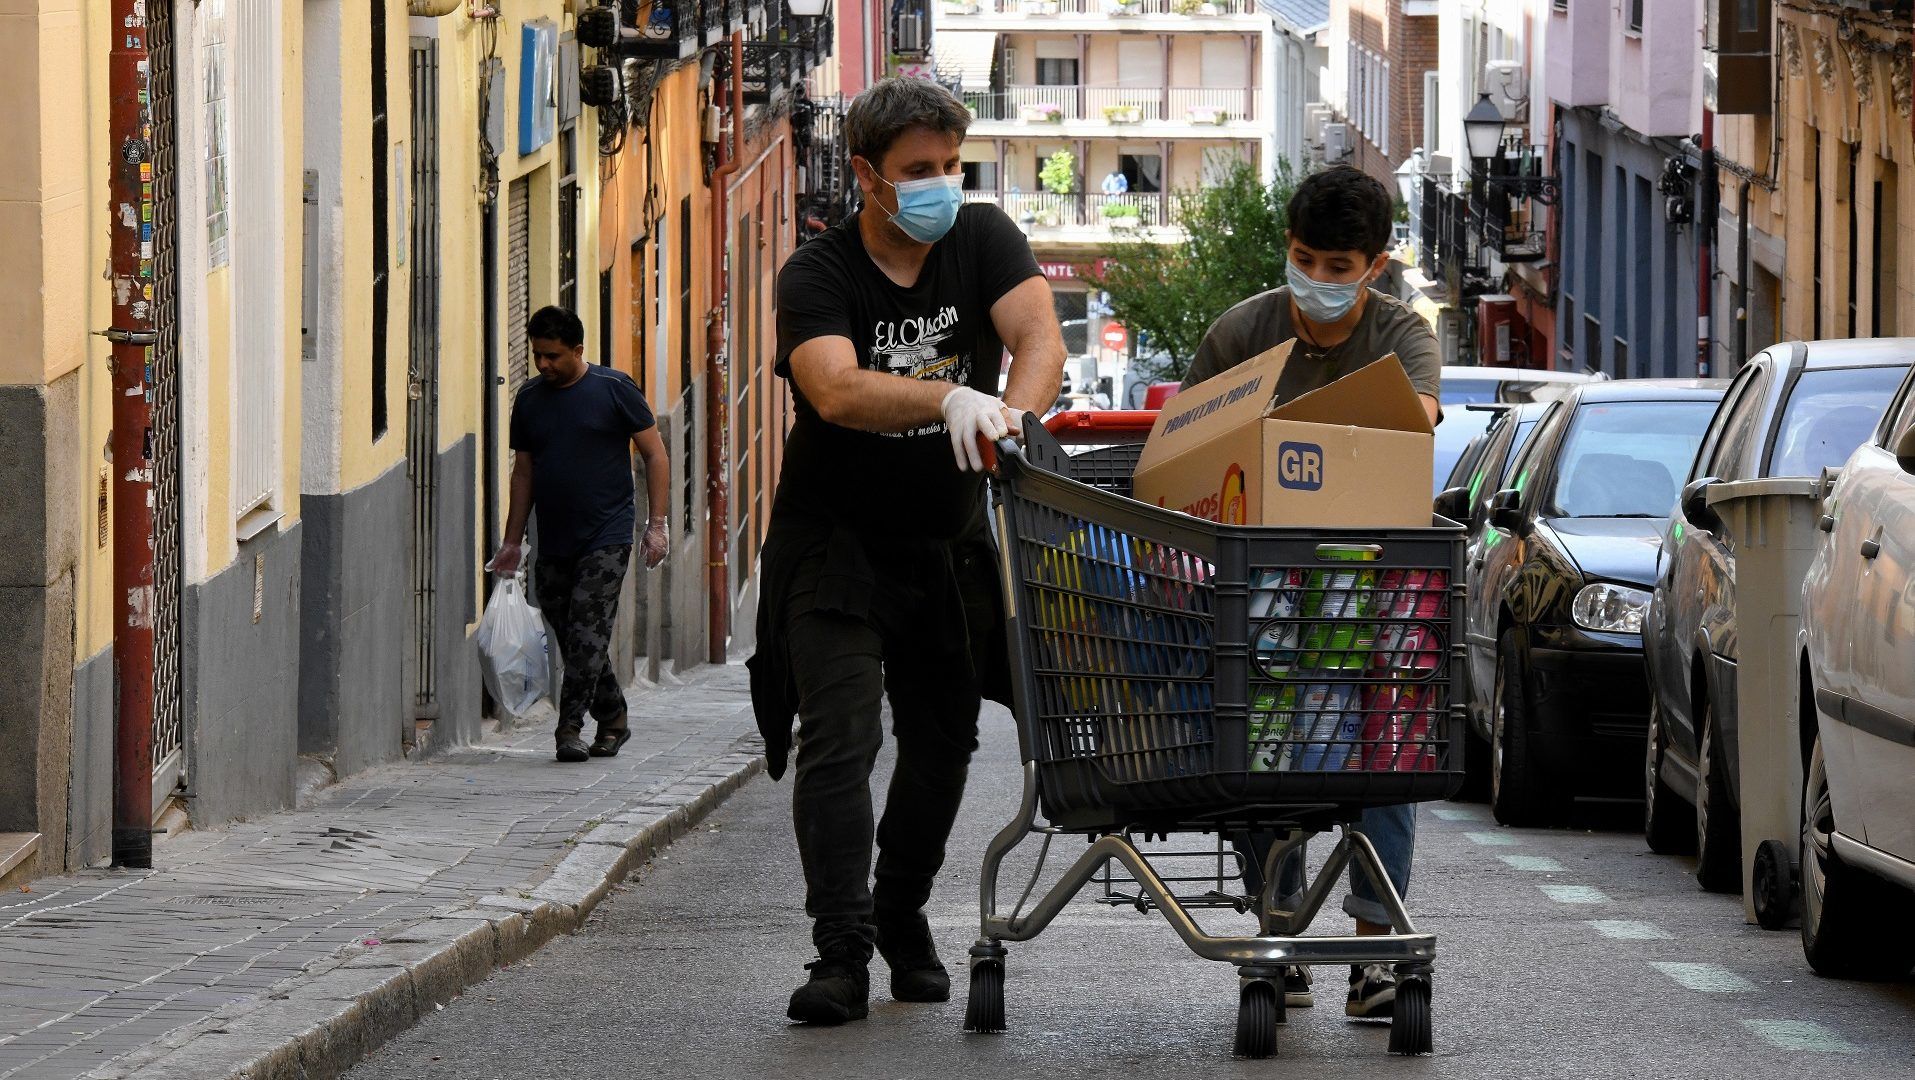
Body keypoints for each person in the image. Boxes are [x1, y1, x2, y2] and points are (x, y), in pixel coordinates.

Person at [748, 77, 1065, 1026]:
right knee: (840, 739)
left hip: (946, 539)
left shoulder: (981, 238)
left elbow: (1038, 335)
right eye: (916, 171)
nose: (938, 185)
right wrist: (943, 397)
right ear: (865, 177)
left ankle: (901, 912)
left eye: (949, 167)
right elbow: (836, 391)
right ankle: (840, 952)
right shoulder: (818, 274)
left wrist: (1012, 411)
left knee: (945, 742)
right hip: (834, 540)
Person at [1180, 165, 1442, 1020]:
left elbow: (1421, 416)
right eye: (1304, 259)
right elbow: (1189, 447)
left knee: (1384, 757)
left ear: (1373, 265)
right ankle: (1280, 933)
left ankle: (1373, 955)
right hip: (1259, 588)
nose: (1319, 281)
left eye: (1339, 266)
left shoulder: (1403, 336)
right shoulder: (1239, 334)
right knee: (1263, 757)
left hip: (1367, 587)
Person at [488, 306, 671, 763]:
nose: (543, 365)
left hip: (607, 536)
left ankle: (569, 727)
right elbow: (523, 473)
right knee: (572, 636)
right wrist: (512, 543)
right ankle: (613, 716)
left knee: (587, 631)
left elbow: (655, 454)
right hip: (553, 538)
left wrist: (658, 525)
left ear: (578, 350)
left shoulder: (614, 389)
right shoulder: (529, 400)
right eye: (537, 356)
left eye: (552, 356)